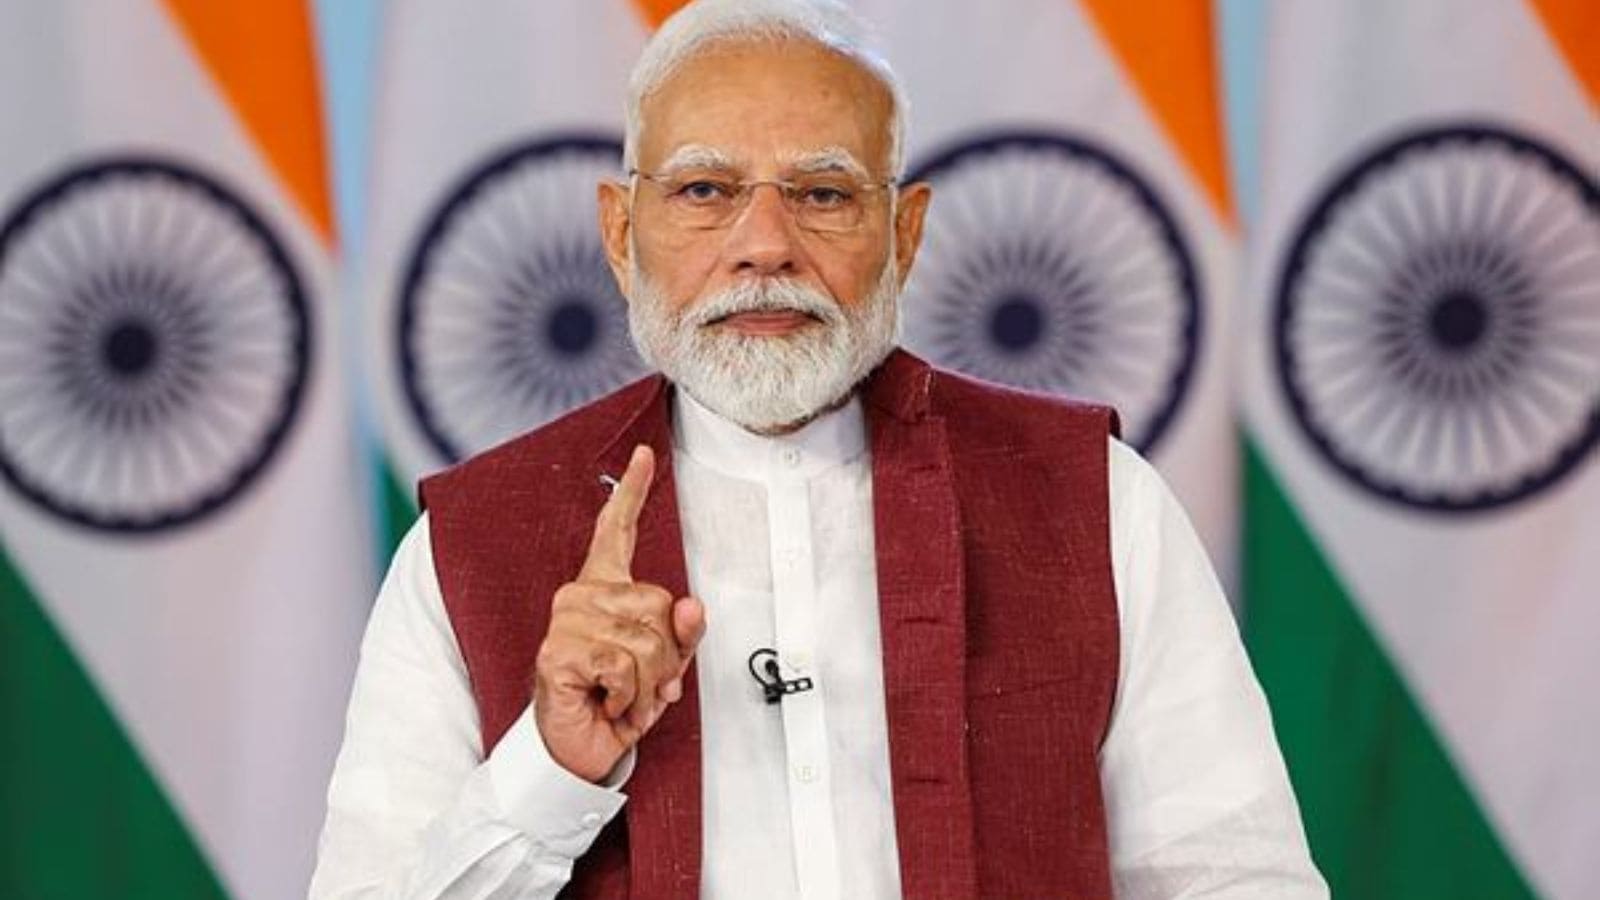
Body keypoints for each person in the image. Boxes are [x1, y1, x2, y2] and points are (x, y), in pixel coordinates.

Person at [311, 1, 1328, 897]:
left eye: (824, 193)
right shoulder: (472, 543)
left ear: (906, 231)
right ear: (622, 236)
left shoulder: (1092, 500)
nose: (763, 244)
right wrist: (550, 764)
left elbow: (1235, 879)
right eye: (705, 190)